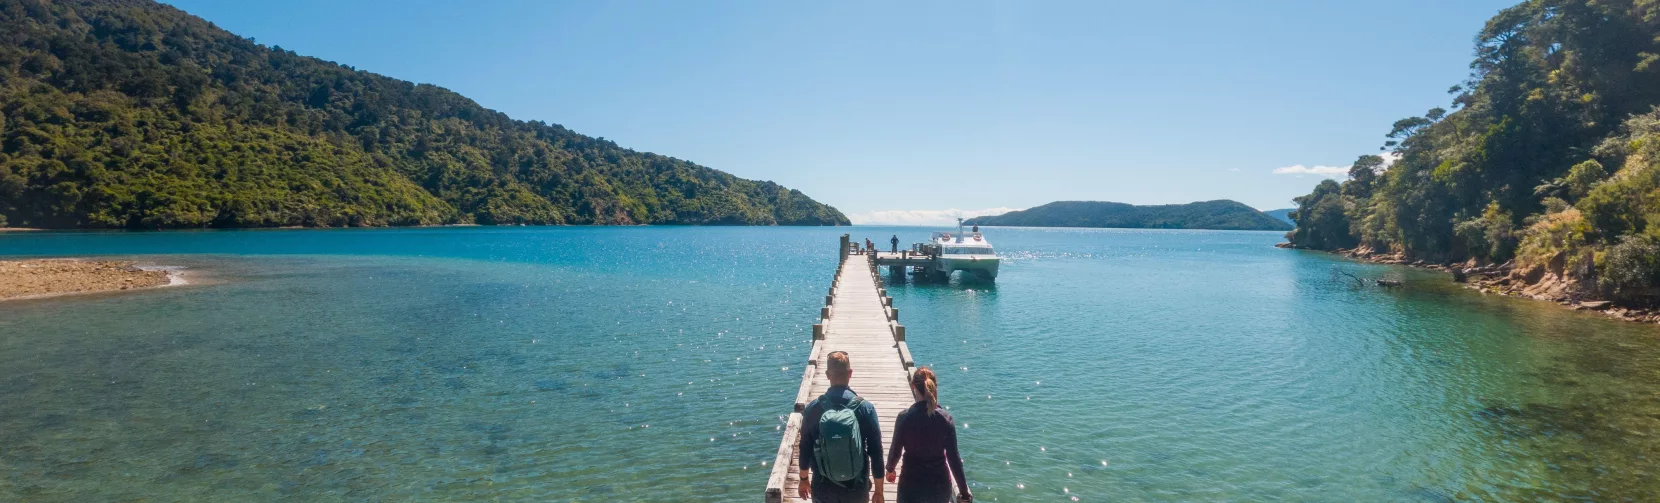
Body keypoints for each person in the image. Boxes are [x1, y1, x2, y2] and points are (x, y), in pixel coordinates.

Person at [800, 351, 886, 503]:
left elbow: (805, 448)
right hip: (856, 488)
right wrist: (879, 491)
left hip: (823, 487)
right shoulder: (865, 409)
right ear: (850, 373)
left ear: (827, 375)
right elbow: (876, 452)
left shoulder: (814, 409)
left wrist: (803, 479)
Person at [884, 367, 970, 503]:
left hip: (911, 485)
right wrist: (964, 492)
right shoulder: (946, 419)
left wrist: (890, 469)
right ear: (934, 387)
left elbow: (896, 450)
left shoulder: (904, 418)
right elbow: (954, 459)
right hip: (939, 486)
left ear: (913, 386)